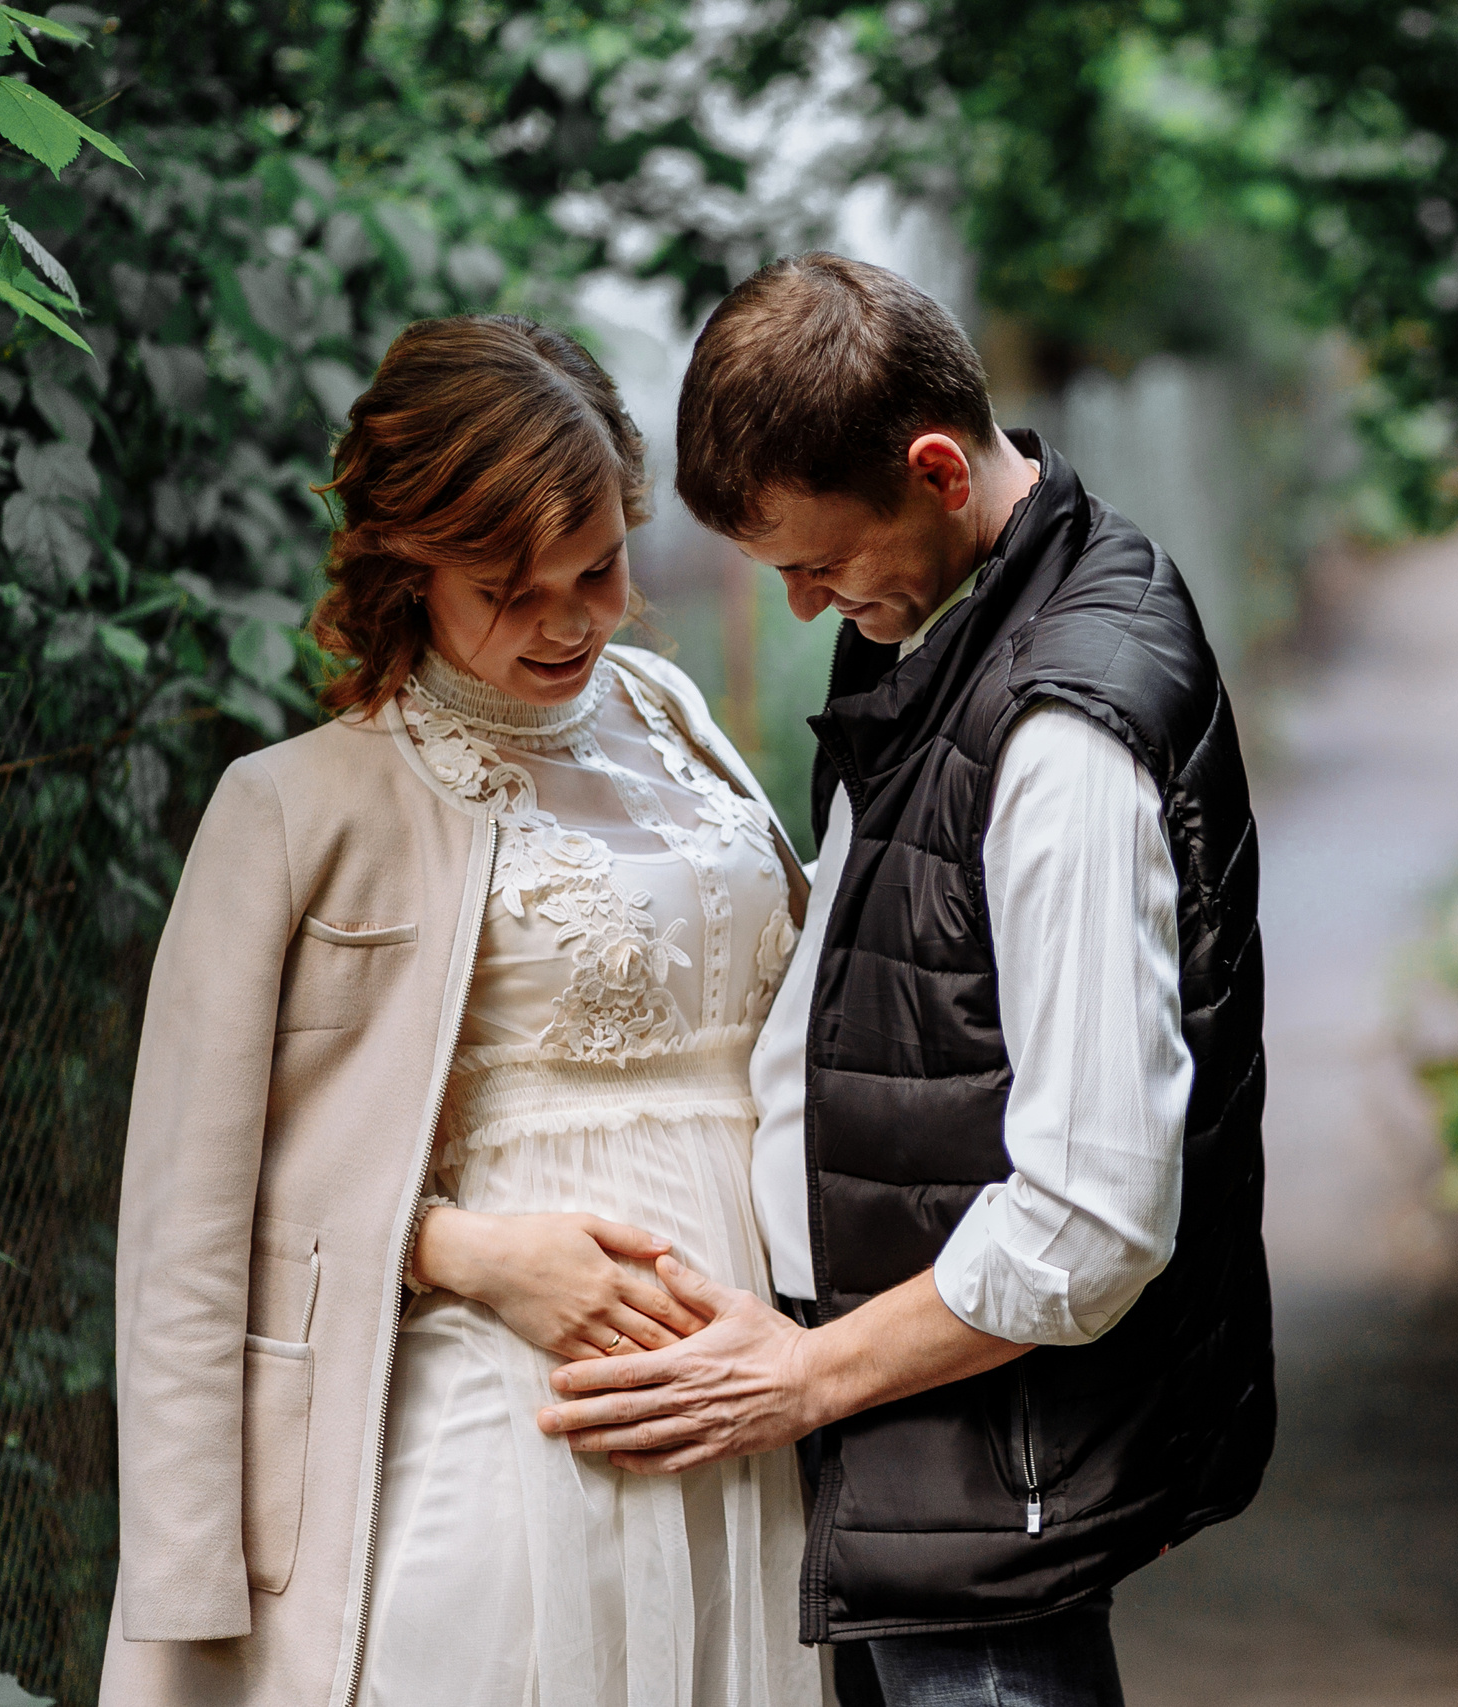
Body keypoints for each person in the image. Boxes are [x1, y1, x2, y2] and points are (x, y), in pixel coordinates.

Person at [536, 253, 1277, 1707]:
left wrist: (804, 1376)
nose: (807, 606)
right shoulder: (973, 631)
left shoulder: (1058, 734)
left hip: (975, 1498)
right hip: (926, 1477)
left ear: (937, 470)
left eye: (818, 563)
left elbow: (1092, 1214)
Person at [100, 314, 822, 1707]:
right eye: (507, 585)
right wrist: (462, 1249)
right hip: (507, 1420)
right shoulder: (298, 809)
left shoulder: (669, 710)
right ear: (403, 562)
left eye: (600, 567)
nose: (567, 621)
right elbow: (185, 1220)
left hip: (752, 1417)